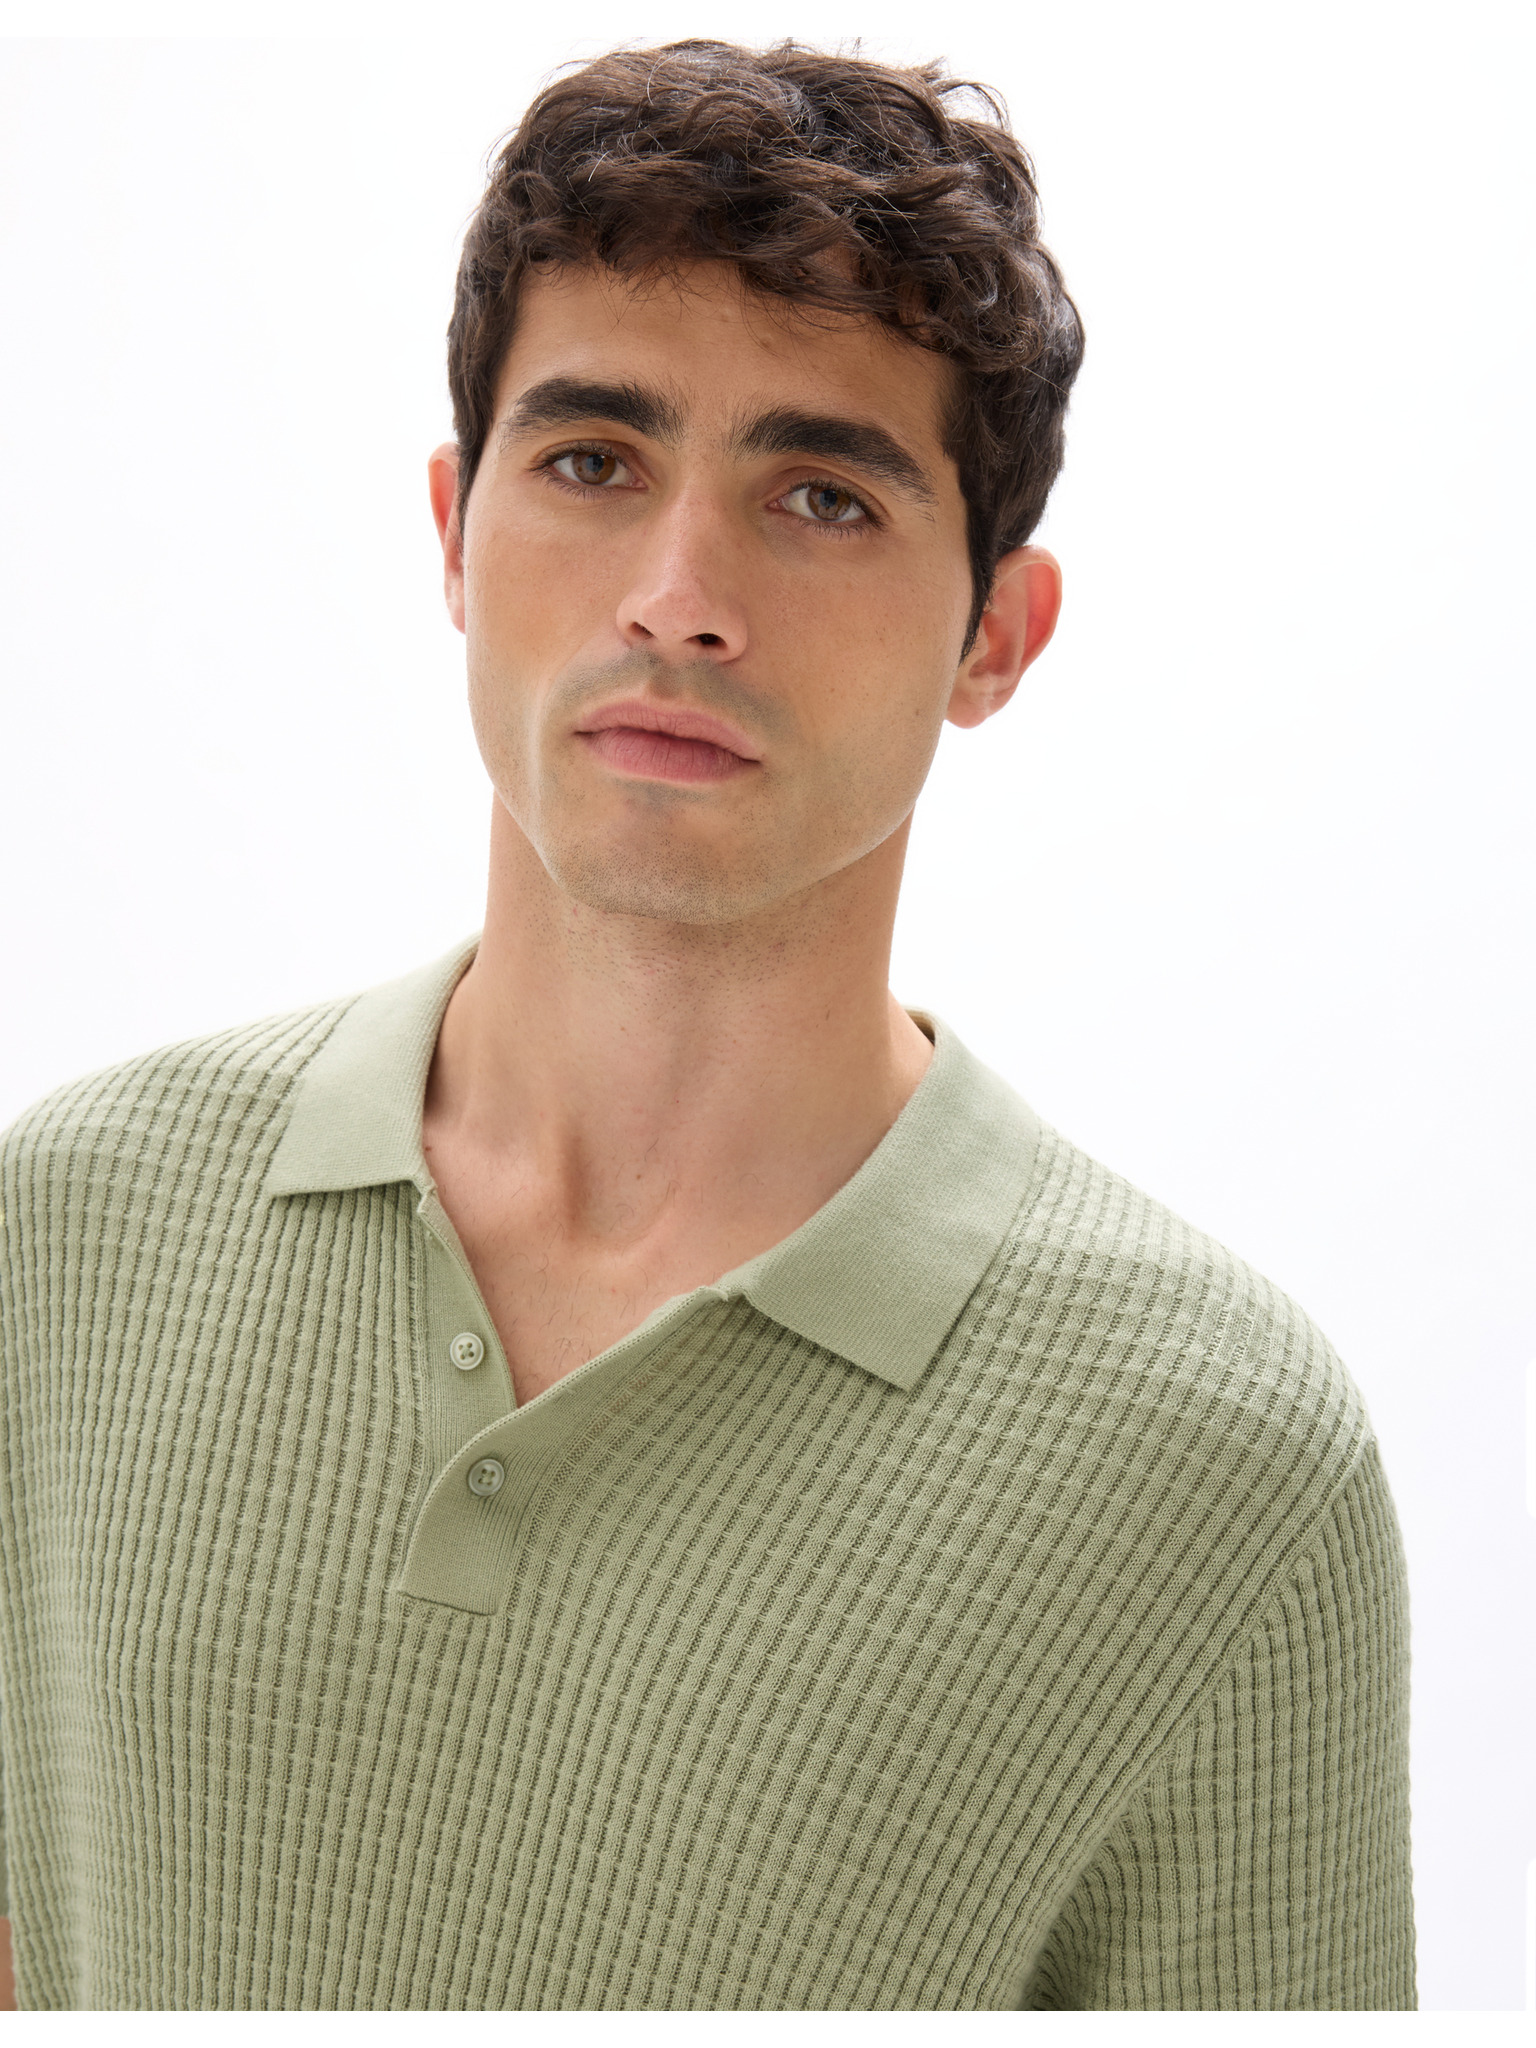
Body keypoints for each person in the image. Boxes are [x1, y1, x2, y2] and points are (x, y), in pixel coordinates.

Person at [0, 40, 1414, 2012]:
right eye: (593, 462)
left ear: (995, 636)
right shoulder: (63, 1237)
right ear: (453, 535)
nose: (679, 598)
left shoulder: (1220, 1461)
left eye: (821, 496)